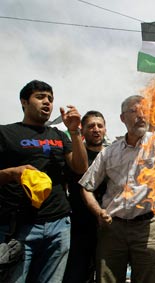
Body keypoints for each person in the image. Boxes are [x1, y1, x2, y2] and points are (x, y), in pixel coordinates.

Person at [80, 70, 155, 283]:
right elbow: (86, 186)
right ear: (122, 118)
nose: (141, 115)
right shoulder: (109, 152)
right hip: (112, 229)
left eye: (145, 110)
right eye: (134, 111)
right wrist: (98, 212)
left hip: (148, 229)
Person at [0, 80, 88, 282]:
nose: (47, 102)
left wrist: (74, 132)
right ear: (24, 102)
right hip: (18, 228)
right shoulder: (5, 133)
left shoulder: (58, 135)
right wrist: (13, 173)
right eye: (40, 97)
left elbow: (80, 167)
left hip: (59, 224)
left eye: (50, 98)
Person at [63, 110, 108, 283]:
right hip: (79, 227)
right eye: (90, 126)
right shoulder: (74, 157)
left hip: (108, 227)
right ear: (82, 131)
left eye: (100, 126)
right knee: (76, 275)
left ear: (105, 129)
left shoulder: (113, 155)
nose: (96, 129)